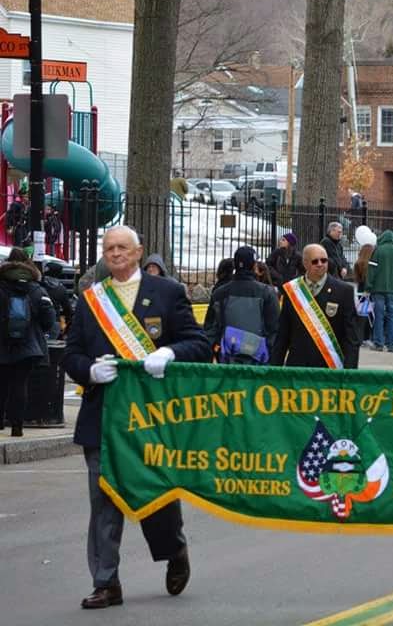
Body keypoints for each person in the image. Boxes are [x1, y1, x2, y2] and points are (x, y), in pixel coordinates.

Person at [63, 225, 211, 609]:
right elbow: (72, 354)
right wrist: (89, 371)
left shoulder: (168, 293)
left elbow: (198, 343)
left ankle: (174, 550)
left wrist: (170, 354)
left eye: (122, 248)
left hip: (152, 419)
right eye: (109, 248)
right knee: (104, 502)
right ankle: (106, 582)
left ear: (139, 251)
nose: (115, 254)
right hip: (103, 417)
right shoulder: (91, 300)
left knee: (156, 496)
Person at [271, 243, 360, 369]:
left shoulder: (344, 291)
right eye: (315, 261)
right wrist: (274, 370)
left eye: (324, 260)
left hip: (329, 368)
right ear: (305, 263)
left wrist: (349, 373)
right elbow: (283, 334)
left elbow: (351, 338)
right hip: (297, 368)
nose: (320, 264)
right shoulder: (292, 290)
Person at [0, 251, 56, 437]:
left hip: (2, 343)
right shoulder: (37, 289)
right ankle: (17, 427)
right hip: (28, 345)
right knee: (20, 384)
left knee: (2, 383)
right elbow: (49, 318)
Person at [203, 247, 280, 365]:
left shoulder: (220, 293)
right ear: (254, 266)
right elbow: (274, 329)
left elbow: (210, 329)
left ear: (235, 265)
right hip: (259, 361)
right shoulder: (267, 293)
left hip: (227, 359)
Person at [365, 230, 393, 353]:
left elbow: (371, 271)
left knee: (378, 316)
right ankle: (392, 345)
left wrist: (368, 287)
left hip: (378, 289)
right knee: (392, 317)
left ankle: (378, 343)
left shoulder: (378, 251)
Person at [353, 243, 376, 348]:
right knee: (371, 315)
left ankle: (361, 337)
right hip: (370, 291)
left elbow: (357, 279)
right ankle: (368, 337)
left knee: (362, 315)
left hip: (360, 292)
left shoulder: (358, 264)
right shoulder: (371, 265)